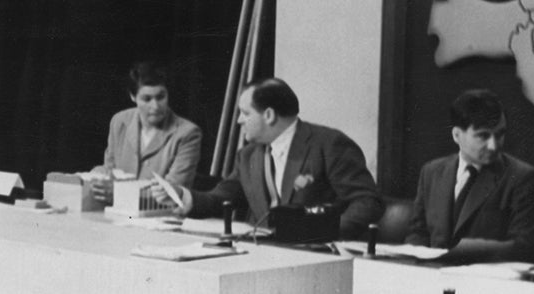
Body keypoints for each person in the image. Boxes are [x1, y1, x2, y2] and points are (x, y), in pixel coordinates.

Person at [151, 77, 382, 237]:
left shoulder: (329, 145)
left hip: (313, 256)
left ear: (269, 115)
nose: (240, 121)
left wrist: (320, 233)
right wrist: (185, 196)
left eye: (245, 113)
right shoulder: (249, 155)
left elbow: (366, 202)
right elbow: (225, 195)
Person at [404, 89, 534, 262]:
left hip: (487, 282)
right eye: (483, 136)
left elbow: (526, 247)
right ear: (457, 135)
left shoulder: (522, 178)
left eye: (500, 134)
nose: (494, 146)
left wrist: (464, 250)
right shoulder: (431, 172)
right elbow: (418, 233)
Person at [92, 60, 201, 198]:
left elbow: (171, 192)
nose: (155, 106)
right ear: (133, 97)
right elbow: (110, 170)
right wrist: (96, 177)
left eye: (161, 97)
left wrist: (119, 192)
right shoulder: (119, 121)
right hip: (117, 212)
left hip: (161, 217)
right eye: (147, 99)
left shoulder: (188, 133)